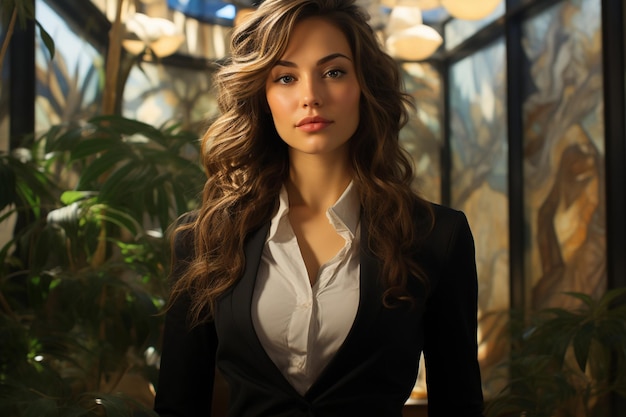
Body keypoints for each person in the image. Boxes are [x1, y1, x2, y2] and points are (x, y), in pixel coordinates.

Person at [153, 0, 484, 416]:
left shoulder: (437, 236)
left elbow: (460, 405)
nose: (311, 96)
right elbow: (177, 405)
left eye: (333, 72)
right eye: (286, 77)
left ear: (365, 86)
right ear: (263, 95)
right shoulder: (204, 239)